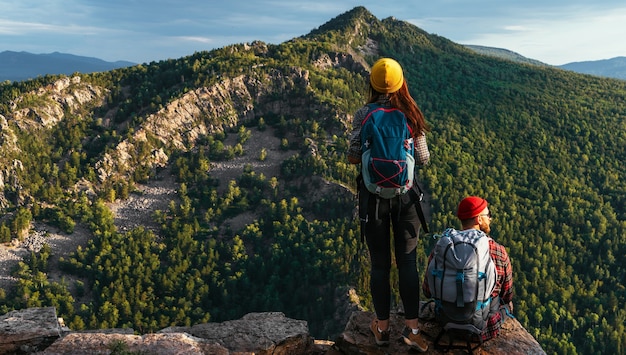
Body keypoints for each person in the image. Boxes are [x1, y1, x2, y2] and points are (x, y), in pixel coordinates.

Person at [347, 58, 431, 352]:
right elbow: (423, 159)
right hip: (406, 198)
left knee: (380, 264)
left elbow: (353, 156)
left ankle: (381, 329)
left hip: (373, 200)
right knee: (407, 261)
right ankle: (413, 329)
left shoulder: (362, 114)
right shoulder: (410, 113)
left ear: (372, 83)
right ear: (400, 83)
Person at [422, 196, 514, 342]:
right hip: (482, 327)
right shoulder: (497, 251)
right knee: (506, 305)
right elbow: (507, 294)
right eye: (487, 215)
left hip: (446, 323)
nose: (490, 219)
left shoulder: (443, 248)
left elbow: (427, 291)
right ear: (479, 219)